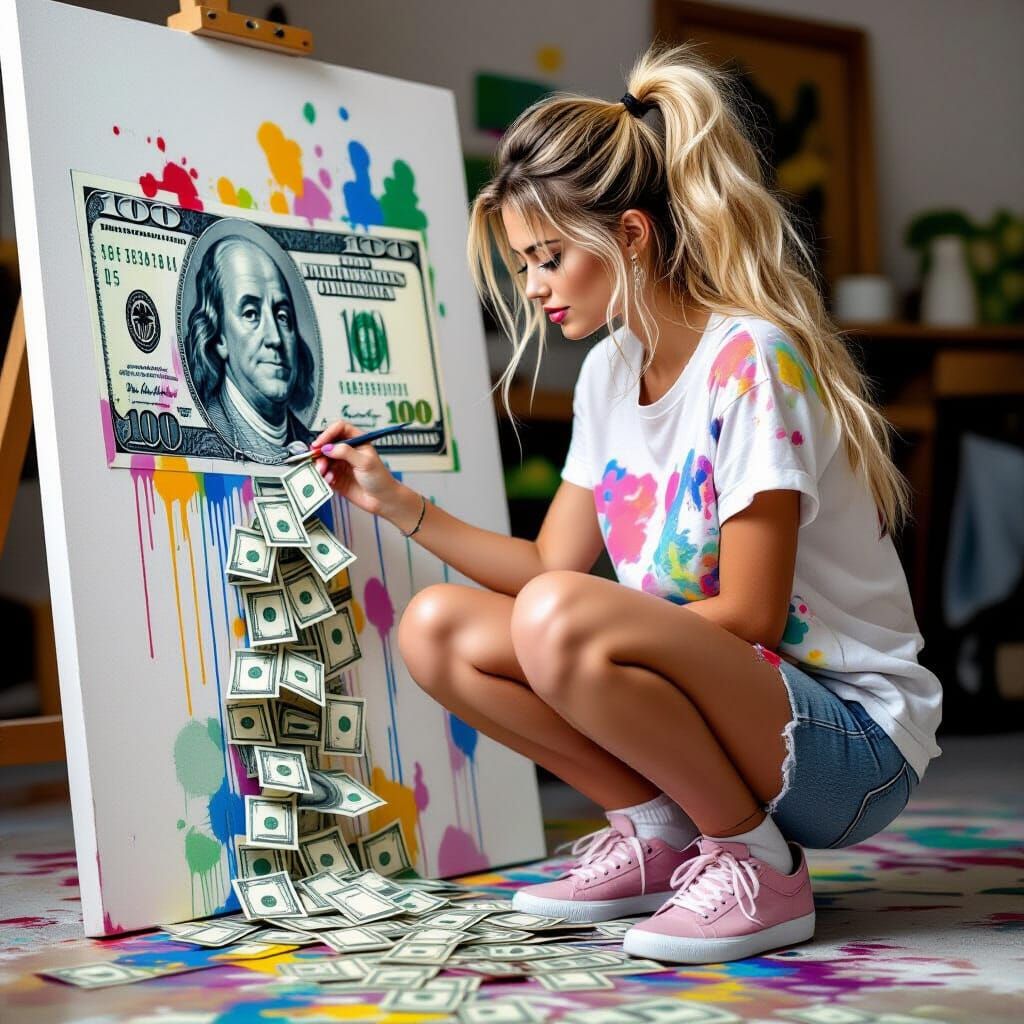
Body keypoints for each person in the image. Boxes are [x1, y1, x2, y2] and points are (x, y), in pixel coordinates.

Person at [311, 43, 942, 965]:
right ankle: (656, 832)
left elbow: (755, 614)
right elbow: (548, 568)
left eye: (549, 258)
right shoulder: (612, 370)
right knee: (437, 629)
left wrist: (591, 622)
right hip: (735, 711)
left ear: (633, 236)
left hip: (846, 748)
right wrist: (396, 502)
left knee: (562, 618)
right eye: (524, 262)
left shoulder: (750, 360)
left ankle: (756, 861)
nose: (532, 288)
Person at [184, 233, 316, 461]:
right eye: (251, 314)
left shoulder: (311, 441)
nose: (275, 338)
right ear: (219, 337)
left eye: (282, 316)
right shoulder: (211, 431)